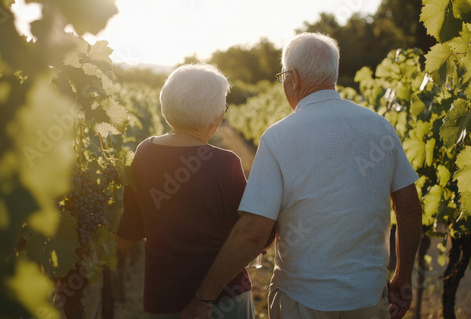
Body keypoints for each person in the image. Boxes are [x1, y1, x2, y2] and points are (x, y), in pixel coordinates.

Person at [180, 33, 422, 319]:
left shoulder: (278, 137)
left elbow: (254, 231)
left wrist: (204, 297)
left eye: (283, 77)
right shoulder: (381, 127)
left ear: (293, 77)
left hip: (302, 300)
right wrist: (403, 275)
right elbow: (407, 207)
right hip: (367, 298)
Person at [115, 64, 258, 318]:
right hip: (224, 300)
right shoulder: (226, 164)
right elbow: (249, 231)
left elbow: (133, 229)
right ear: (215, 116)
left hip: (165, 299)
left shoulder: (144, 153)